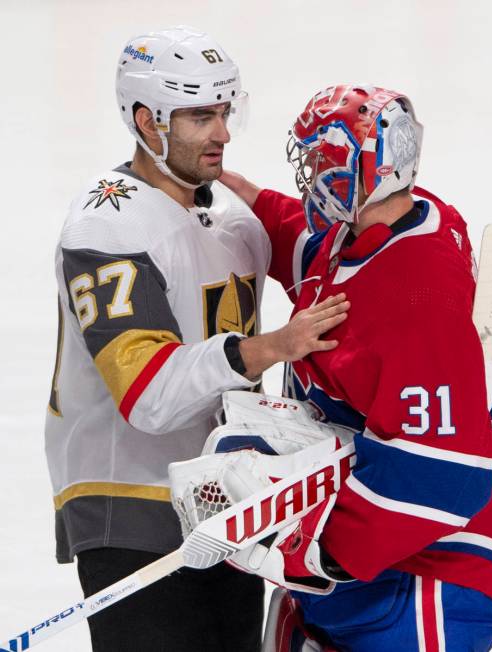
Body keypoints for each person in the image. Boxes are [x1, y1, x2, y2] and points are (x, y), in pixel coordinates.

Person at [44, 27, 348, 652]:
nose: (223, 133)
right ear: (146, 121)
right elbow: (148, 395)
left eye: (225, 111)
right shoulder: (109, 224)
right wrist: (266, 349)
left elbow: (335, 270)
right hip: (129, 504)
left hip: (225, 503)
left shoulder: (234, 218)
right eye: (199, 116)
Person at [220, 84, 492, 651]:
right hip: (371, 572)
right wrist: (251, 199)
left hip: (429, 580)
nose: (308, 177)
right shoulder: (386, 223)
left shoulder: (420, 294)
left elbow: (444, 475)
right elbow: (321, 255)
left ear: (354, 169)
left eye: (318, 162)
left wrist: (317, 552)